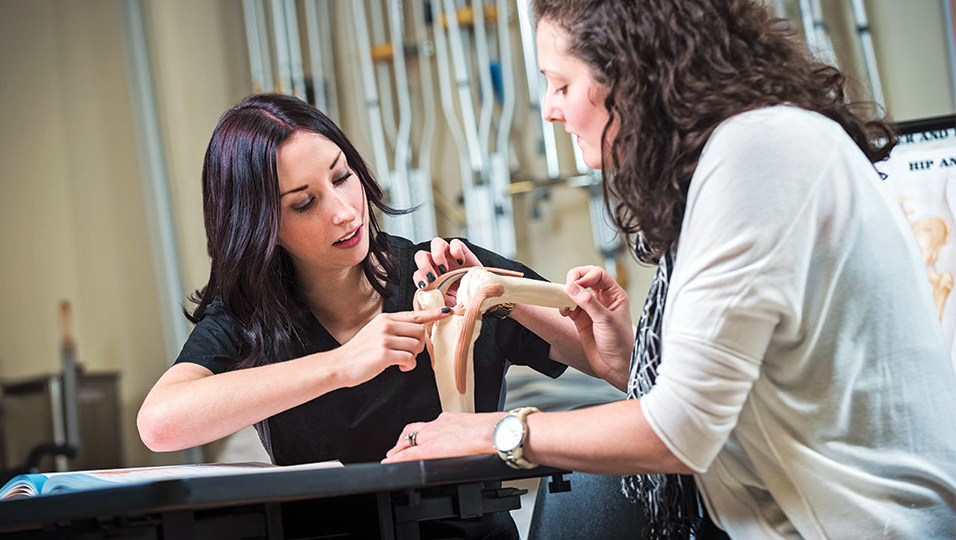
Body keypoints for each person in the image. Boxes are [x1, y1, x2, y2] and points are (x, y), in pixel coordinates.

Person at [383, 1, 956, 538]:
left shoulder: (757, 156)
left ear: (632, 76)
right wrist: (625, 362)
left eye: (561, 84)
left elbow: (683, 431)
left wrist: (494, 431)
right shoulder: (748, 150)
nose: (552, 109)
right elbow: (735, 398)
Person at [136, 93, 586, 539]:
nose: (344, 212)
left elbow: (614, 360)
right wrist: (343, 364)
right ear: (260, 226)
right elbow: (160, 424)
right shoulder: (252, 318)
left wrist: (497, 294)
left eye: (342, 176)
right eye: (304, 203)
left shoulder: (449, 273)